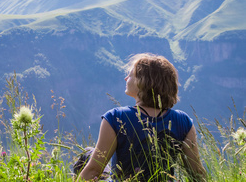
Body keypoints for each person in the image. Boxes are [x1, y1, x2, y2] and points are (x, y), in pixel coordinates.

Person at [77, 53, 206, 181]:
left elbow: (94, 170)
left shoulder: (115, 117)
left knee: (87, 154)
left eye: (131, 75)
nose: (126, 78)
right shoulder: (183, 121)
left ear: (142, 82)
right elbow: (197, 173)